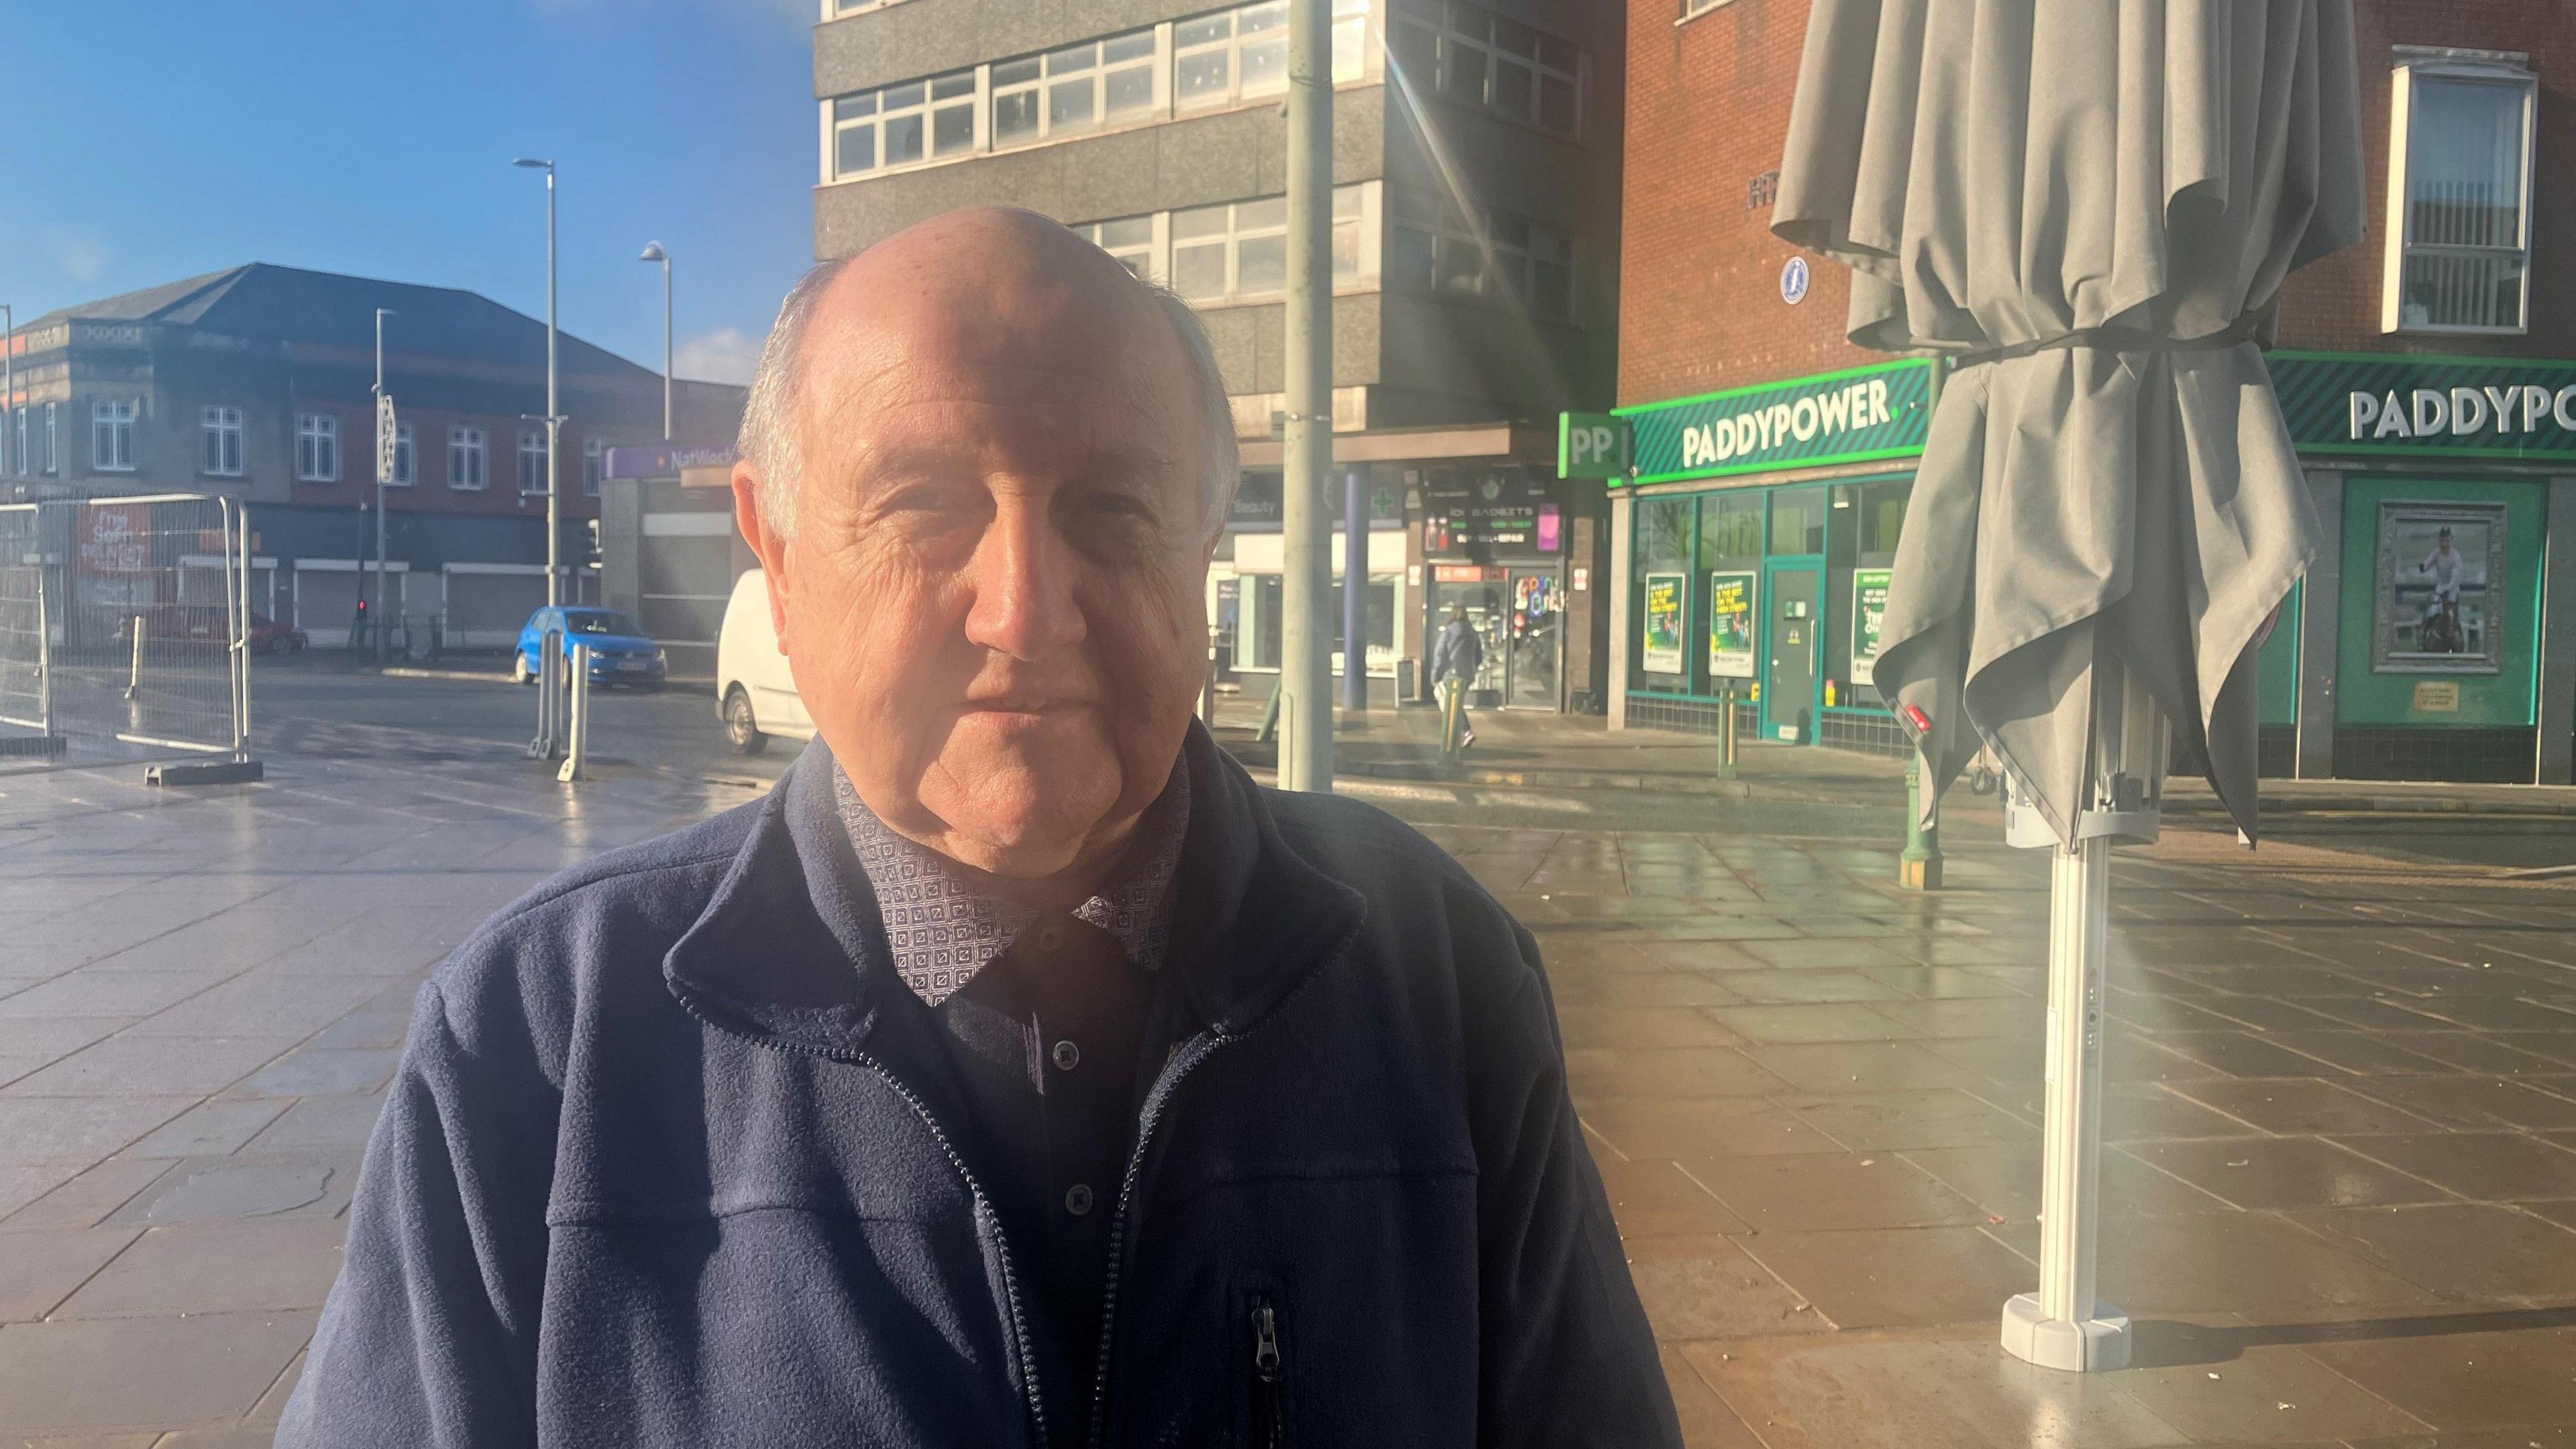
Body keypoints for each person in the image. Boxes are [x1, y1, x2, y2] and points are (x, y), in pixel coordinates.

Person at [279, 209, 1678, 1448]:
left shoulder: (1442, 984)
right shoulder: (537, 1045)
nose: (1027, 611)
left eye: (1113, 508)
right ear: (775, 547)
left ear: (1204, 540)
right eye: (926, 506)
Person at [1431, 602, 1484, 749]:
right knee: (1456, 704)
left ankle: (1463, 733)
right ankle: (1460, 734)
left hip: (1450, 675)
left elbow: (1440, 655)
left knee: (1451, 705)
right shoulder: (1473, 633)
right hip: (1467, 676)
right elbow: (1479, 656)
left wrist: (1436, 676)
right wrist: (1472, 668)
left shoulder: (1448, 633)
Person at [2420, 526, 2465, 653]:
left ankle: (2460, 641)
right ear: (2439, 541)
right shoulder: (2436, 553)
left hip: (2452, 589)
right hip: (2440, 586)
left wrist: (2449, 589)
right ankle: (2424, 636)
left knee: (2452, 614)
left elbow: (2457, 575)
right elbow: (2428, 562)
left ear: (2450, 541)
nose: (2445, 544)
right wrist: (2423, 567)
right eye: (2442, 541)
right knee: (2432, 611)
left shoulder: (2455, 556)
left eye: (2447, 541)